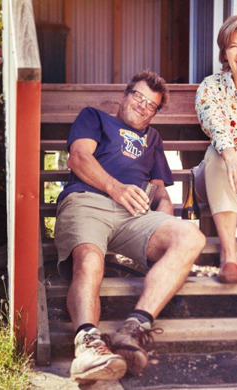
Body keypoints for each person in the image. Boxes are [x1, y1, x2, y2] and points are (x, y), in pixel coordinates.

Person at [54, 70, 206, 383]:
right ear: (125, 95)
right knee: (90, 260)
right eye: (138, 96)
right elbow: (78, 158)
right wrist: (115, 188)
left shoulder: (153, 140)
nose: (142, 105)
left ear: (155, 112)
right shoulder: (94, 117)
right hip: (87, 202)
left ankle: (133, 329)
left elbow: (161, 192)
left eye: (151, 105)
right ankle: (88, 345)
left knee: (190, 236)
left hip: (134, 217)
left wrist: (164, 219)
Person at [194, 15, 237, 284]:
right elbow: (214, 121)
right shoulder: (212, 86)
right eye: (234, 46)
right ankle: (230, 255)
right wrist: (230, 153)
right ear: (225, 53)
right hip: (214, 177)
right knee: (217, 153)